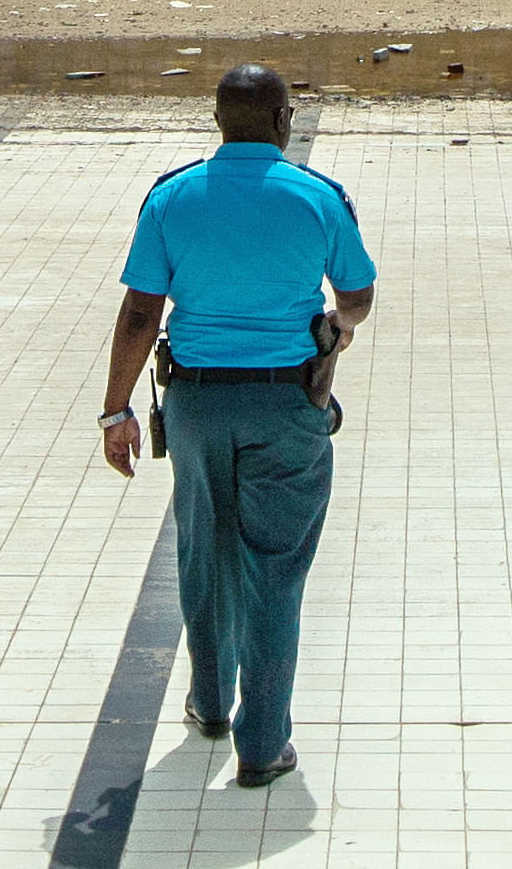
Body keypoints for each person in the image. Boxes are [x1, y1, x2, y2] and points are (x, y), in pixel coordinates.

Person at [96, 65, 377, 788]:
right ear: (284, 119)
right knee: (275, 573)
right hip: (286, 407)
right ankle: (262, 743)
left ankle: (211, 703)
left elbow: (138, 312)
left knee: (204, 553)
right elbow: (356, 293)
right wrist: (336, 329)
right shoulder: (317, 197)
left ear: (218, 120)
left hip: (194, 404)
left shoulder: (171, 195)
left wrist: (116, 409)